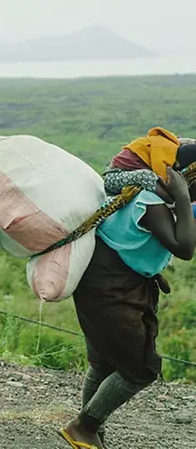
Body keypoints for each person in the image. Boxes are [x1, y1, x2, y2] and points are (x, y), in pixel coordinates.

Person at [60, 165, 196, 449]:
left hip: (104, 283)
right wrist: (182, 198)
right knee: (140, 369)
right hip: (111, 289)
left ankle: (92, 437)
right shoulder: (150, 203)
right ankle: (84, 427)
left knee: (105, 363)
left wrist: (185, 204)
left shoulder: (155, 200)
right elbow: (184, 248)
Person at [102, 127, 196, 197]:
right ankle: (170, 201)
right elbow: (161, 171)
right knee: (147, 176)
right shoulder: (164, 147)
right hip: (114, 177)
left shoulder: (164, 144)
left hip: (129, 175)